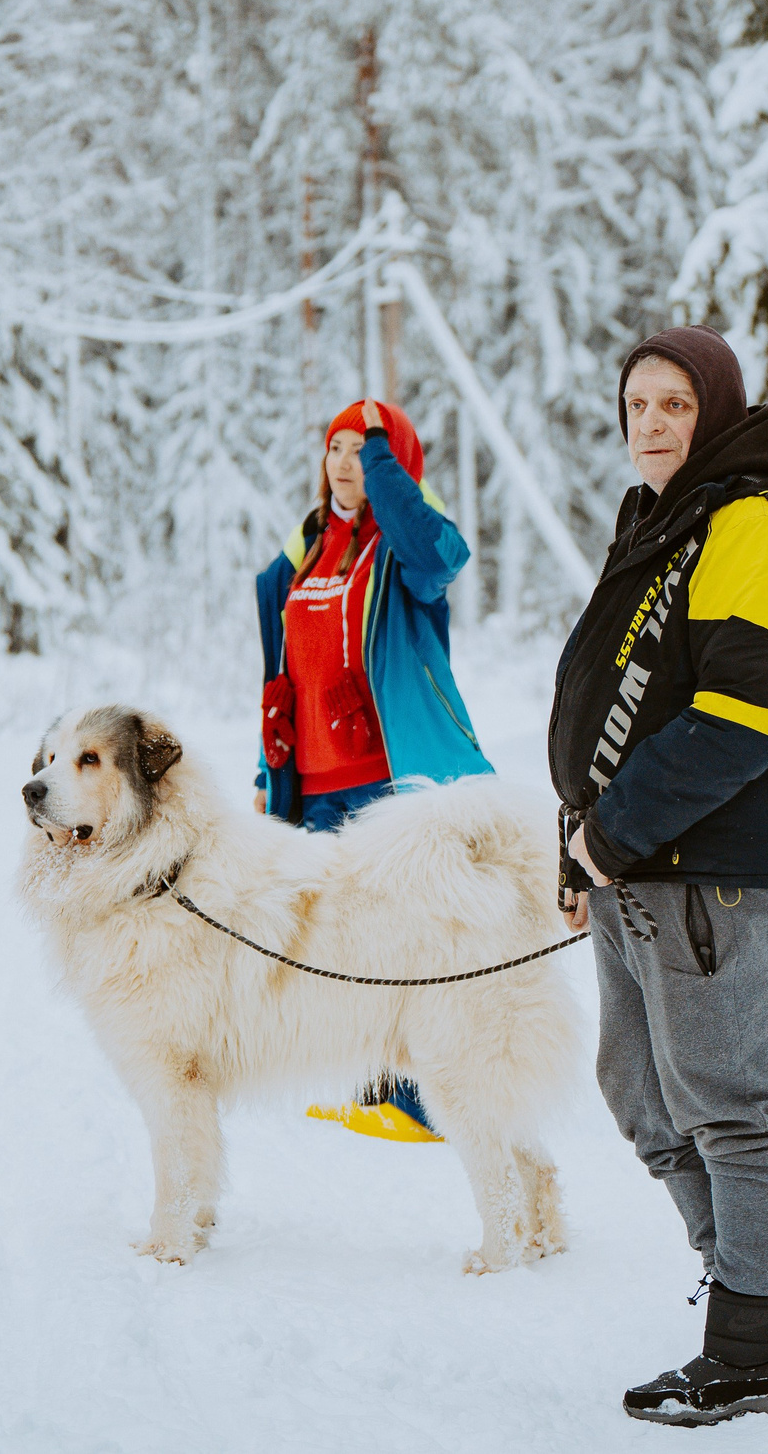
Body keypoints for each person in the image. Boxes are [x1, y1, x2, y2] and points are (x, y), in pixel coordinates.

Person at [548, 327, 768, 1424]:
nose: (650, 423)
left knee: (733, 1106)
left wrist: (612, 835)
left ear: (716, 410)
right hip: (630, 864)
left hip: (703, 868)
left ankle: (755, 1349)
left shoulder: (759, 522)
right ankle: (767, 1308)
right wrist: (580, 845)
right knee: (641, 1093)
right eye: (636, 405)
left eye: (674, 404)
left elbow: (741, 718)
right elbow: (614, 702)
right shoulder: (667, 519)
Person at [254, 396, 493, 1143]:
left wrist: (390, 470)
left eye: (364, 451)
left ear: (393, 465)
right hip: (315, 786)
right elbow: (285, 672)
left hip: (391, 778)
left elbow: (440, 555)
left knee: (410, 938)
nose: (346, 463)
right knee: (338, 941)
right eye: (336, 448)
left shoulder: (406, 548)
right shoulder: (306, 550)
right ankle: (368, 1084)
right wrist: (267, 770)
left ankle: (424, 1100)